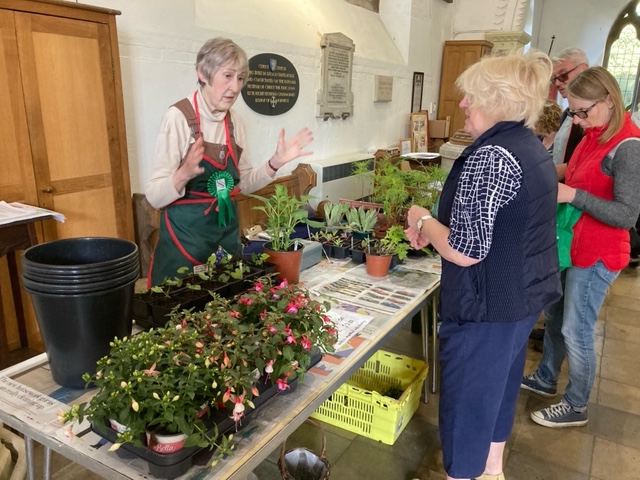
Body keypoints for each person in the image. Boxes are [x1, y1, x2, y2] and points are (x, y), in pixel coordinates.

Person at [404, 49, 561, 480]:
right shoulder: (529, 147)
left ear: (497, 100)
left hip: (485, 309)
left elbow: (465, 247)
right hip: (519, 301)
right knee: (496, 394)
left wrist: (422, 219)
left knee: (468, 408)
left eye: (471, 96)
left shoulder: (492, 157)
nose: (463, 104)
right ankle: (492, 471)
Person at [521, 67, 640, 427]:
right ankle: (545, 378)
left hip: (599, 254)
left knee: (577, 328)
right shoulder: (594, 133)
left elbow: (627, 214)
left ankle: (576, 405)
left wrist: (574, 195)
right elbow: (569, 171)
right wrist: (537, 168)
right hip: (571, 245)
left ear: (608, 100)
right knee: (555, 317)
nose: (579, 119)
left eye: (583, 110)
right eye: (573, 112)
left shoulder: (628, 146)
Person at [145, 38, 313, 286]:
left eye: (241, 78)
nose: (235, 87)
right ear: (203, 73)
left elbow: (243, 183)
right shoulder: (178, 118)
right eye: (227, 76)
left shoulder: (234, 123)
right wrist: (182, 174)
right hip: (184, 245)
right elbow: (154, 197)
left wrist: (275, 163)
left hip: (226, 239)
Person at [550, 48, 589, 179]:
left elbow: (601, 160)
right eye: (553, 79)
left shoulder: (601, 113)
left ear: (583, 68)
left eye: (563, 74)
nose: (557, 83)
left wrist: (566, 169)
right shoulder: (567, 114)